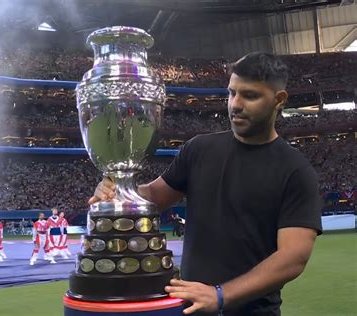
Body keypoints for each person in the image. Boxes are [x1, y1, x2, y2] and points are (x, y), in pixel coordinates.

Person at [89, 52, 322, 315]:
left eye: (250, 95)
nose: (235, 104)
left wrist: (221, 295)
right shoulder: (199, 149)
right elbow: (154, 195)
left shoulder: (295, 171)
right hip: (189, 309)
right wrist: (120, 191)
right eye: (232, 93)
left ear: (279, 100)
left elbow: (293, 257)